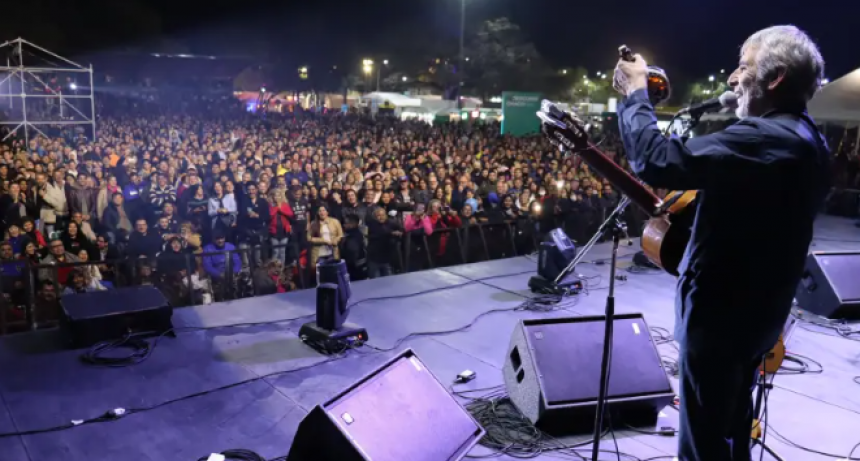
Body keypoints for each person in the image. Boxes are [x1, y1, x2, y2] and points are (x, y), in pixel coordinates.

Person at [612, 25, 830, 461]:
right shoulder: (809, 139)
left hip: (720, 318)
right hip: (758, 315)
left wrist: (636, 94)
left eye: (744, 67)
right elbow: (760, 217)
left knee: (703, 440)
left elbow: (654, 160)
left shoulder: (767, 139)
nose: (733, 78)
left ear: (776, 77)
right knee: (731, 425)